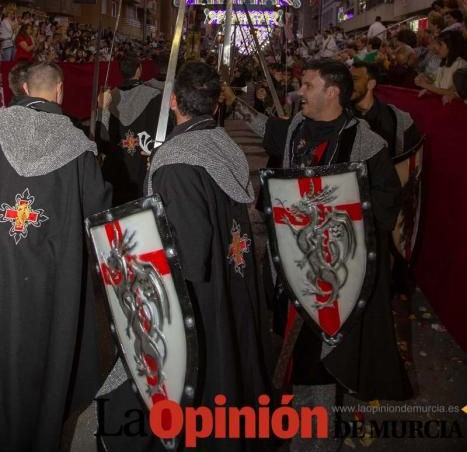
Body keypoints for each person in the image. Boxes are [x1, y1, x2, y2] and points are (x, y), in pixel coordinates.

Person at [98, 62, 273, 451]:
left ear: (173, 101)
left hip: (199, 297)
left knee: (201, 385)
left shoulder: (177, 162)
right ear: (214, 107)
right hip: (233, 276)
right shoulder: (222, 142)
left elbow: (189, 255)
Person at [264, 59, 411, 402]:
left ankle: (316, 436)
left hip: (333, 273)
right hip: (293, 261)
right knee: (290, 348)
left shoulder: (365, 143)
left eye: (308, 85)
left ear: (331, 92)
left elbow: (386, 202)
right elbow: (272, 140)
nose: (299, 92)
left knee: (319, 356)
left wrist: (333, 221)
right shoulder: (299, 126)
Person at [0, 62, 112, 452]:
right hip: (53, 277)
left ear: (24, 87)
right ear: (60, 91)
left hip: (5, 273)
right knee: (47, 360)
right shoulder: (75, 144)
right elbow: (99, 210)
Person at [96, 55, 166, 204]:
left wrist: (102, 109)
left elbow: (102, 140)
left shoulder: (109, 98)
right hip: (143, 165)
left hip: (117, 169)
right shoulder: (154, 96)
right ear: (139, 69)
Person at [351, 60, 421, 157]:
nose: (348, 84)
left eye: (354, 79)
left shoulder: (398, 119)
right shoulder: (339, 114)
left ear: (371, 84)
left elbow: (409, 160)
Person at [415, 29, 467, 99]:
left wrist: (425, 85)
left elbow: (451, 92)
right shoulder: (444, 63)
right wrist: (425, 79)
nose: (437, 48)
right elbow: (436, 82)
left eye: (440, 44)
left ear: (451, 46)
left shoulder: (461, 64)